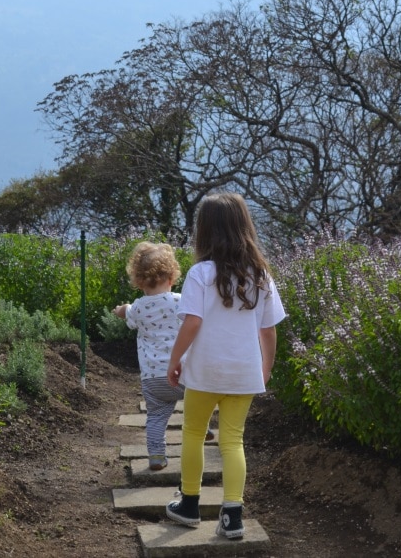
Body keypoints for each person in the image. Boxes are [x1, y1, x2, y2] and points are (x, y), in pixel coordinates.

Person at [165, 192, 286, 540]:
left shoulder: (200, 273)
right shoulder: (260, 273)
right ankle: (233, 516)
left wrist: (175, 361)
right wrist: (265, 368)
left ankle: (189, 505)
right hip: (243, 371)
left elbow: (191, 323)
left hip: (204, 370)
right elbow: (268, 329)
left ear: (203, 230)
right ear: (245, 226)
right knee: (233, 441)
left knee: (192, 434)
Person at [114, 241, 185, 471]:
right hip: (181, 374)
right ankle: (202, 431)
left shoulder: (138, 307)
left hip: (152, 378)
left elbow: (127, 314)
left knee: (155, 417)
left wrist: (120, 310)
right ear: (172, 277)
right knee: (198, 405)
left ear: (138, 281)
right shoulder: (179, 301)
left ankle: (156, 456)